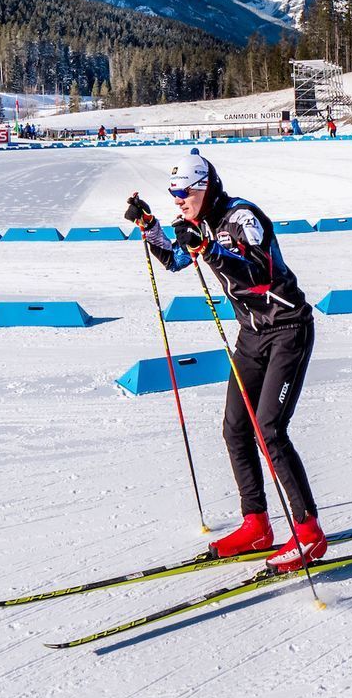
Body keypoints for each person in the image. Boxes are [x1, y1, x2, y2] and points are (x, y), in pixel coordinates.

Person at [125, 151, 326, 572]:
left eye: (184, 193)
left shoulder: (242, 217)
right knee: (235, 428)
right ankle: (256, 524)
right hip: (252, 336)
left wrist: (209, 250)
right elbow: (178, 260)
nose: (178, 200)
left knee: (269, 427)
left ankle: (309, 534)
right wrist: (150, 228)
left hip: (288, 329)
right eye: (172, 193)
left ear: (205, 187)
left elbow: (259, 273)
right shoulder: (202, 224)